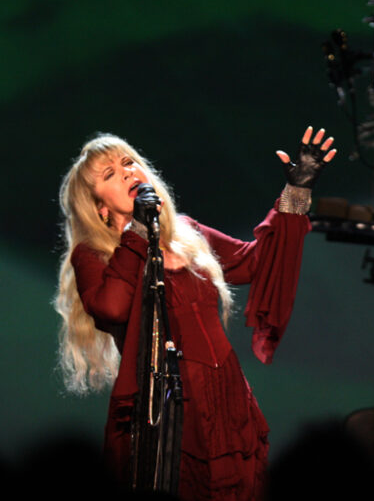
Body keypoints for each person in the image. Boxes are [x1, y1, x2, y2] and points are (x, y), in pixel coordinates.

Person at [55, 129, 336, 500]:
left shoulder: (186, 232)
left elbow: (255, 262)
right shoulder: (94, 255)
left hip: (227, 399)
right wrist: (138, 229)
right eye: (110, 175)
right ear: (100, 208)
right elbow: (112, 306)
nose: (127, 172)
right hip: (167, 413)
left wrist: (296, 193)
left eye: (129, 162)